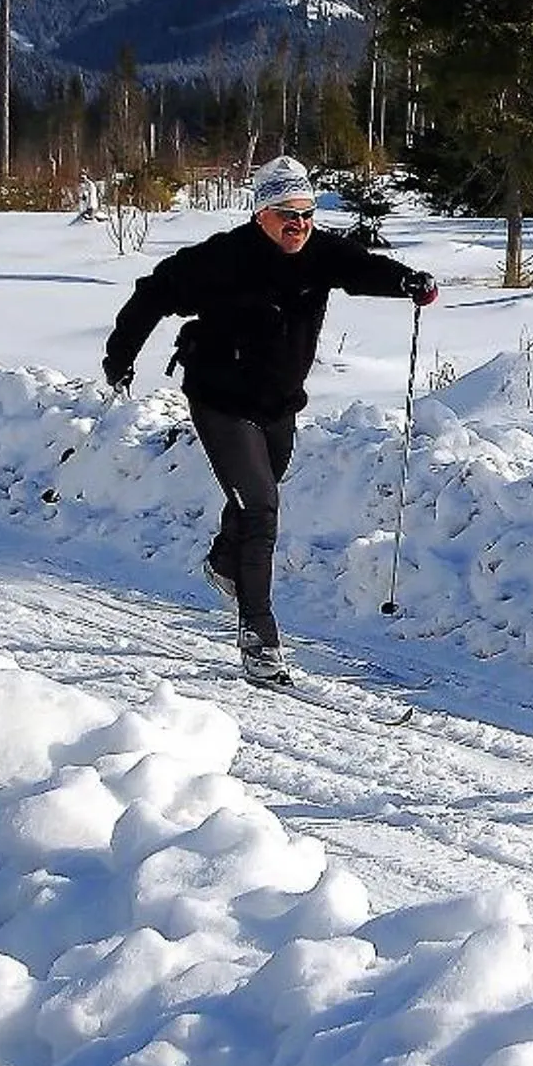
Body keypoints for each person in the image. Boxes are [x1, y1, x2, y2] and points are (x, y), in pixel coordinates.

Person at [104, 156, 437, 687]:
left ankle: (223, 561)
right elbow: (153, 293)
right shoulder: (223, 259)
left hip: (279, 406)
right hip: (219, 400)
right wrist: (120, 357)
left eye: (306, 213)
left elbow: (362, 268)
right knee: (261, 509)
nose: (299, 225)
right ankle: (259, 638)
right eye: (286, 213)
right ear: (261, 213)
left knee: (257, 497)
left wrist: (408, 282)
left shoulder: (320, 253)